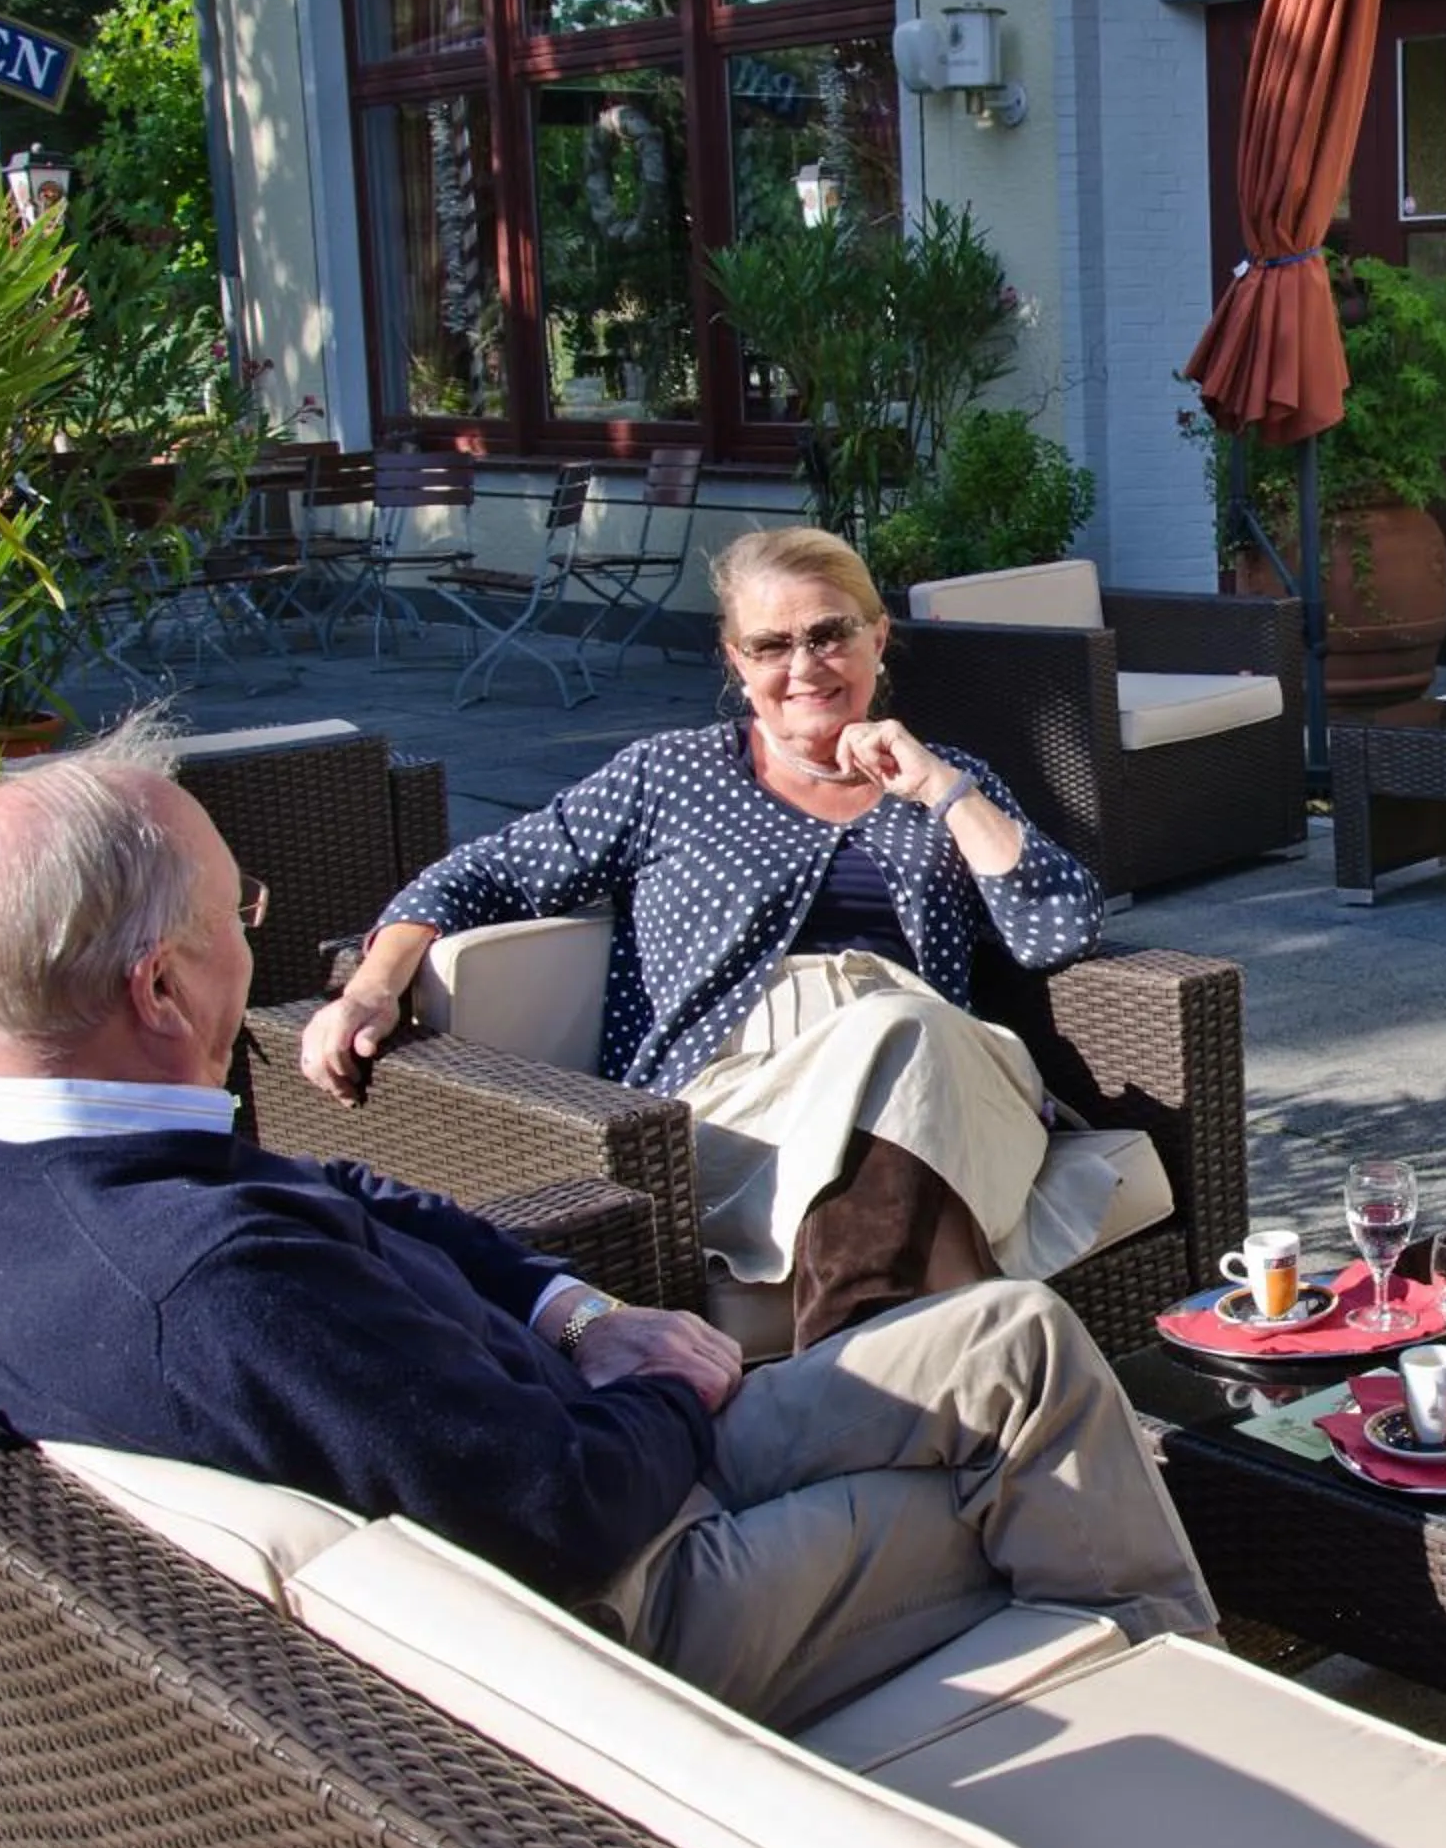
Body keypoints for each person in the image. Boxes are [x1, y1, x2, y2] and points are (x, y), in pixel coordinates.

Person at [0, 719, 1216, 1733]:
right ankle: (1196, 1747)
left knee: (1019, 1342)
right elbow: (560, 1508)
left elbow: (360, 1195)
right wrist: (659, 1386)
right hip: (643, 1587)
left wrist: (581, 1313)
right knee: (1056, 1483)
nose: (254, 946)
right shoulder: (207, 1281)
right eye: (239, 916)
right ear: (162, 984)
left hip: (604, 1441)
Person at [303, 527, 1114, 1356]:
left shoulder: (942, 777)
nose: (804, 666)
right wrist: (374, 981)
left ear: (878, 636)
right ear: (736, 661)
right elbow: (479, 875)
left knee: (906, 1029)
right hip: (737, 1111)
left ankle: (847, 1379)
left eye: (830, 633)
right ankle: (951, 1387)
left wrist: (941, 788)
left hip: (947, 1076)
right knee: (905, 1035)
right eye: (772, 645)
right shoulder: (670, 776)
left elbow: (1059, 929)